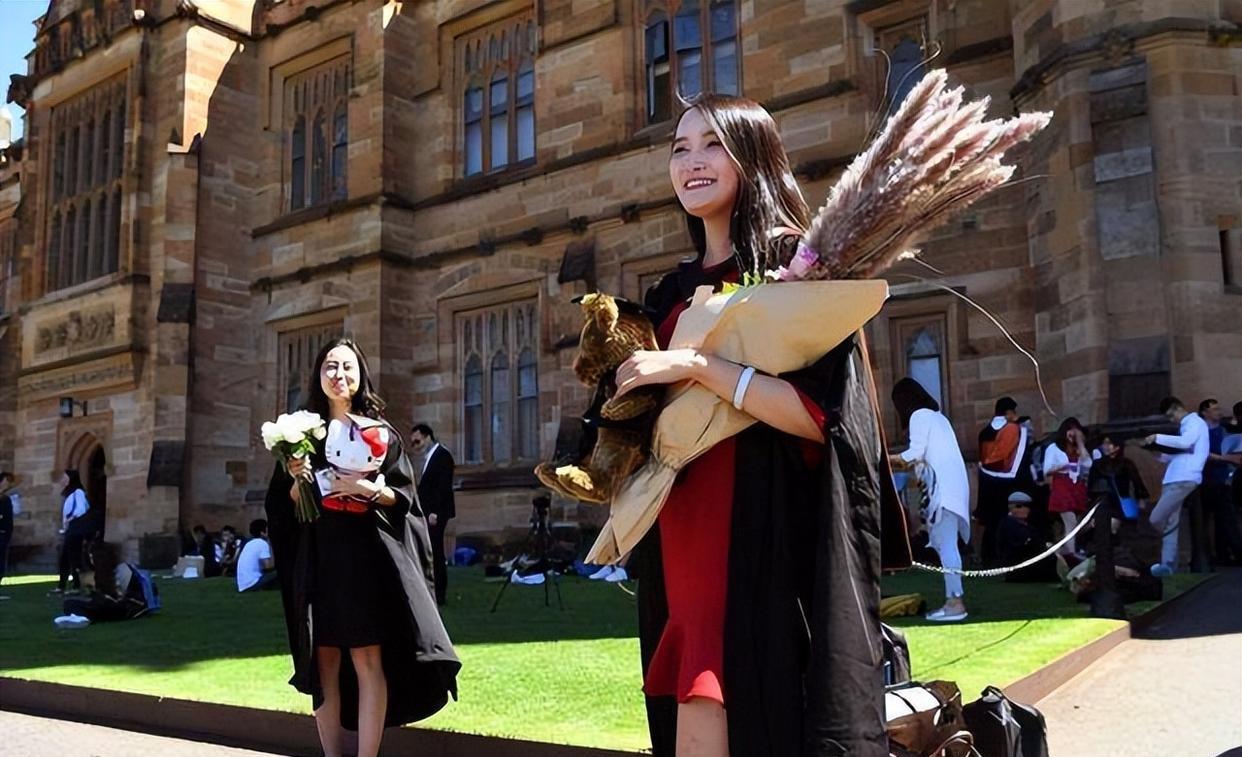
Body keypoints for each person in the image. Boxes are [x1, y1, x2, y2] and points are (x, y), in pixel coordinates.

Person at [612, 95, 910, 757]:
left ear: (753, 156)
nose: (691, 161)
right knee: (692, 678)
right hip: (679, 518)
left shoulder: (796, 270)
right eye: (679, 148)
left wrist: (699, 365)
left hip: (758, 518)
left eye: (712, 145)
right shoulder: (669, 292)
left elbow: (826, 420)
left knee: (738, 682)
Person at [265, 337, 460, 757]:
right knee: (325, 664)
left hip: (363, 560)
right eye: (330, 366)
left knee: (367, 659)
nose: (339, 374)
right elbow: (286, 508)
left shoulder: (381, 434)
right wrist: (297, 479)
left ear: (360, 375)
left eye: (347, 367)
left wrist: (368, 489)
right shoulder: (303, 437)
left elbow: (404, 498)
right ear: (318, 376)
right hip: (320, 559)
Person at [891, 378, 970, 622]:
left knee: (947, 547)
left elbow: (913, 454)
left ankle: (955, 603)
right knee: (948, 546)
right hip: (952, 489)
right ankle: (954, 601)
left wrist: (883, 458)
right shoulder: (939, 418)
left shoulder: (919, 416)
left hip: (943, 491)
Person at [1143, 396, 1210, 577]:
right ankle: (1169, 566)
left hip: (1183, 479)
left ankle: (1176, 559)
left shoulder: (1194, 422)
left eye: (1171, 415)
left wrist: (1157, 437)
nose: (1172, 420)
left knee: (1156, 519)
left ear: (1177, 408)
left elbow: (1185, 443)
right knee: (1170, 521)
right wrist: (1158, 453)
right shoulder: (1189, 425)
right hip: (1176, 478)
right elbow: (1183, 453)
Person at [977, 397, 1029, 566]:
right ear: (1008, 412)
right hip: (1006, 479)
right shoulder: (1012, 429)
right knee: (1004, 518)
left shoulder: (984, 432)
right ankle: (1003, 555)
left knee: (990, 520)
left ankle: (987, 556)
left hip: (986, 479)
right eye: (1013, 411)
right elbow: (1006, 456)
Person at [411, 423, 455, 606]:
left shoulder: (442, 455)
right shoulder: (431, 457)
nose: (416, 446)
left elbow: (443, 486)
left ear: (428, 437)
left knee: (435, 552)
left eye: (418, 441)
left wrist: (435, 511)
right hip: (429, 512)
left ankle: (439, 593)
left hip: (435, 513)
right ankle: (433, 591)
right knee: (431, 551)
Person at [1198, 399, 1242, 565]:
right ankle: (1233, 553)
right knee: (1224, 518)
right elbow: (1202, 453)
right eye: (1214, 409)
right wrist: (1227, 458)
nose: (1219, 412)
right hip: (1208, 480)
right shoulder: (1201, 432)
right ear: (1205, 412)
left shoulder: (1223, 430)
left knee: (1223, 518)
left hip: (1222, 479)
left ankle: (1223, 554)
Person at [1044, 418, 1092, 558]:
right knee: (1070, 521)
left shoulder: (1078, 449)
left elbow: (1088, 465)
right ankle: (1072, 553)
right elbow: (1047, 469)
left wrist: (1081, 444)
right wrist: (1063, 466)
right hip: (1062, 487)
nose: (1073, 434)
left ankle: (1062, 551)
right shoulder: (1053, 448)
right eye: (1070, 430)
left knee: (1077, 524)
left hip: (1077, 487)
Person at [996, 491, 1060, 583]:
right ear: (1011, 508)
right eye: (1020, 506)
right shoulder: (1009, 524)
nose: (1025, 510)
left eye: (1027, 506)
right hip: (1016, 567)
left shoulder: (1025, 525)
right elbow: (1017, 547)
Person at [50, 469, 91, 596]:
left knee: (74, 558)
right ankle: (61, 585)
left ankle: (77, 585)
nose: (62, 480)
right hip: (71, 529)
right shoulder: (69, 493)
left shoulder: (78, 492)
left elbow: (81, 509)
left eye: (65, 477)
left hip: (76, 529)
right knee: (65, 558)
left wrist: (70, 518)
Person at [236, 519, 277, 592]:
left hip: (243, 584)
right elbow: (267, 567)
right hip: (253, 583)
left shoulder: (249, 543)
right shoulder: (262, 543)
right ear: (262, 532)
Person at [0, 472, 16, 601]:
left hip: (4, 534)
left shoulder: (7, 499)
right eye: (7, 481)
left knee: (1, 563)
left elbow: (8, 518)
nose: (8, 484)